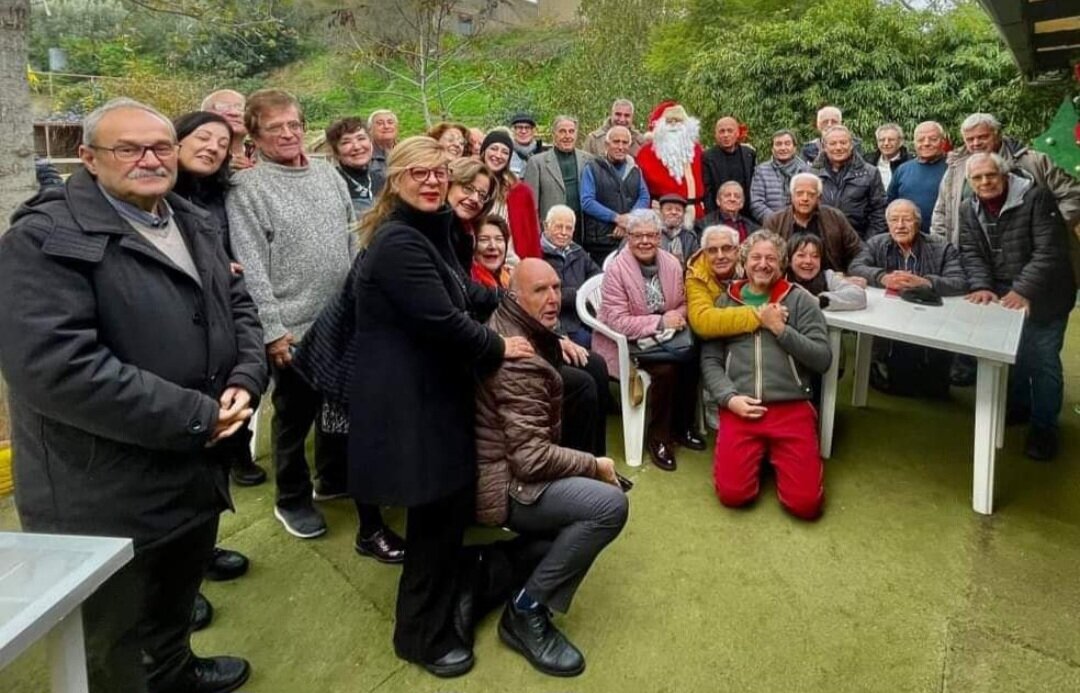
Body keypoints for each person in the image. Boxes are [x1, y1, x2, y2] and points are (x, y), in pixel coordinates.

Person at [0, 97, 266, 693]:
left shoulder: (191, 221)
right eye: (130, 148)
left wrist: (246, 380)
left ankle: (175, 670)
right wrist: (200, 416)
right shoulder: (43, 240)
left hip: (192, 468)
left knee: (177, 592)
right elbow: (57, 368)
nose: (150, 158)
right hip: (102, 486)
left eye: (161, 146)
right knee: (114, 634)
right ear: (88, 159)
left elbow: (239, 305)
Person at [347, 136, 534, 677]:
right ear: (395, 179)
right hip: (411, 405)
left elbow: (460, 292)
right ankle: (419, 637)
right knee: (432, 519)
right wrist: (502, 344)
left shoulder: (430, 233)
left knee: (448, 513)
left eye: (438, 173)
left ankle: (446, 602)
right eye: (418, 174)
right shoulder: (399, 243)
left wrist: (505, 299)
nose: (431, 182)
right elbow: (443, 321)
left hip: (433, 395)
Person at [228, 90, 390, 549]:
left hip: (340, 316)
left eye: (293, 124)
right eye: (274, 127)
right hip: (292, 325)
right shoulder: (248, 189)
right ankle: (292, 498)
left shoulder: (327, 174)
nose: (286, 133)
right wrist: (273, 330)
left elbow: (351, 239)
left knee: (342, 407)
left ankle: (331, 477)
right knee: (294, 418)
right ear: (255, 135)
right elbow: (252, 265)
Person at [475, 258, 628, 678]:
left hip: (506, 468)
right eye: (539, 290)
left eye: (557, 288)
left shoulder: (527, 331)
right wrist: (593, 464)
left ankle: (509, 564)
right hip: (502, 483)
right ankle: (524, 612)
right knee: (608, 506)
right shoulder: (516, 355)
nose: (553, 299)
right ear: (513, 294)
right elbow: (530, 459)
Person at [701, 230, 832, 520]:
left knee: (806, 505)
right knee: (734, 496)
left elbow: (823, 359)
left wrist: (780, 330)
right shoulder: (725, 303)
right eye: (756, 257)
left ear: (782, 264)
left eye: (771, 258)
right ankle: (762, 456)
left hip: (792, 408)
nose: (763, 264)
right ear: (744, 263)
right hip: (742, 408)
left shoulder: (799, 301)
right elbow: (710, 360)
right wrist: (728, 399)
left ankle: (774, 457)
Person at [959, 152, 1075, 460]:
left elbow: (1049, 251)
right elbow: (971, 251)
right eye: (978, 178)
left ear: (1005, 175)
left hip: (1047, 294)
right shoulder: (967, 208)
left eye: (990, 176)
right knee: (1015, 356)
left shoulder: (1036, 198)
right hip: (1002, 294)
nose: (985, 182)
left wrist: (1023, 290)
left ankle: (1044, 428)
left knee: (1042, 359)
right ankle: (1021, 409)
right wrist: (982, 285)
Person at [595, 209, 705, 471]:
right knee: (666, 371)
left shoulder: (671, 263)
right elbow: (616, 321)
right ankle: (659, 438)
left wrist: (674, 317)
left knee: (691, 358)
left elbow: (683, 303)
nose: (644, 241)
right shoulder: (616, 269)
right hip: (627, 342)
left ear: (659, 237)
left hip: (665, 337)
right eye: (637, 235)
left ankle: (682, 427)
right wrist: (659, 322)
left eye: (651, 235)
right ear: (628, 238)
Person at [848, 199, 966, 398]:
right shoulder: (877, 243)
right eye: (894, 220)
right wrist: (882, 277)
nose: (900, 225)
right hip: (889, 322)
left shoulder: (940, 247)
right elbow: (855, 267)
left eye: (907, 220)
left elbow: (960, 281)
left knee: (934, 391)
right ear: (888, 224)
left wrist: (925, 282)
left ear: (918, 223)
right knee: (899, 383)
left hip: (931, 323)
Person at [930, 112, 1080, 246]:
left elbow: (1073, 196)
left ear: (997, 135)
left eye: (983, 136)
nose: (976, 143)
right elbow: (941, 213)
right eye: (970, 139)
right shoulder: (955, 169)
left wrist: (1048, 228)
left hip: (1034, 251)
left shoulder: (1033, 161)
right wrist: (942, 251)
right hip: (976, 257)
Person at [764, 172, 864, 272]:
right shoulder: (775, 221)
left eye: (811, 194)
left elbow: (858, 251)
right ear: (791, 196)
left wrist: (851, 274)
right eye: (799, 193)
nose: (805, 199)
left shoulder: (835, 217)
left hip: (830, 279)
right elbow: (766, 256)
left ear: (819, 198)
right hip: (788, 280)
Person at [580, 125, 650, 265]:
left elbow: (644, 197)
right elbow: (587, 201)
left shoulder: (635, 169)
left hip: (629, 238)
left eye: (624, 143)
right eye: (616, 142)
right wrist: (616, 218)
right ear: (606, 144)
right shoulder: (592, 168)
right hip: (600, 242)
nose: (620, 147)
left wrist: (628, 220)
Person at [541, 204, 602, 347]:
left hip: (588, 317)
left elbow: (598, 277)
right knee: (590, 344)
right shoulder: (539, 254)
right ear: (546, 226)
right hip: (561, 323)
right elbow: (550, 295)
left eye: (568, 228)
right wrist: (580, 295)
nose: (563, 232)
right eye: (558, 227)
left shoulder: (577, 252)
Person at [812, 125, 886, 239]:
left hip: (858, 242)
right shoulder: (811, 174)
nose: (838, 147)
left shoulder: (870, 173)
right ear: (824, 147)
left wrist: (869, 245)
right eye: (833, 143)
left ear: (851, 145)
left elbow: (879, 212)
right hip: (820, 242)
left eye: (843, 142)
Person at [524, 115, 592, 240]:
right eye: (562, 131)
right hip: (551, 232)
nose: (567, 136)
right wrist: (537, 234)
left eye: (571, 131)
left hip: (580, 231)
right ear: (554, 134)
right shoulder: (537, 162)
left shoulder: (588, 160)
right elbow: (530, 205)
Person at [636, 101, 707, 219]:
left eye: (678, 121)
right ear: (660, 126)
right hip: (660, 214)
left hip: (695, 214)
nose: (674, 125)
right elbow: (640, 188)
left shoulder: (697, 150)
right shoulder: (646, 152)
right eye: (669, 122)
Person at [480, 128, 543, 259]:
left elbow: (531, 234)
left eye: (505, 152)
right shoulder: (470, 184)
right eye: (494, 148)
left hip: (511, 259)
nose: (498, 155)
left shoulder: (520, 192)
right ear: (484, 151)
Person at [786, 233, 868, 311]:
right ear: (789, 260)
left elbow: (859, 296)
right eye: (801, 255)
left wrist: (819, 301)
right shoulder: (780, 278)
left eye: (815, 256)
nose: (808, 261)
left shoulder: (828, 276)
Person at [886, 121, 948, 224]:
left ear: (943, 142)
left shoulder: (953, 169)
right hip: (907, 234)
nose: (926, 143)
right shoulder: (903, 170)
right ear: (914, 143)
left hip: (944, 235)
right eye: (921, 140)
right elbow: (890, 203)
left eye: (933, 139)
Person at [325, 116, 386, 217]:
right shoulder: (330, 185)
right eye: (346, 142)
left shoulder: (383, 181)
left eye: (361, 138)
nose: (357, 147)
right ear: (336, 152)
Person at [749, 129, 811, 224]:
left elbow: (811, 200)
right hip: (771, 226)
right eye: (778, 144)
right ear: (772, 148)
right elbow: (756, 203)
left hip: (800, 226)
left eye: (787, 143)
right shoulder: (762, 170)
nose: (783, 148)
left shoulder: (806, 171)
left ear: (794, 147)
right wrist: (777, 221)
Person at [702, 116, 755, 216]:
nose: (726, 135)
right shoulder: (708, 157)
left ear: (737, 133)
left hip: (746, 214)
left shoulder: (748, 154)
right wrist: (712, 217)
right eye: (722, 131)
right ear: (716, 135)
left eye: (730, 131)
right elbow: (708, 192)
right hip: (718, 214)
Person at [201, 88, 254, 170]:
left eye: (241, 108)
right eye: (222, 106)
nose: (234, 113)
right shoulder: (195, 154)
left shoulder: (265, 154)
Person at [656, 193, 701, 265]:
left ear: (684, 214)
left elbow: (695, 263)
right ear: (661, 212)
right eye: (669, 209)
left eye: (678, 210)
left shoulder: (690, 237)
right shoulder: (654, 234)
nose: (674, 212)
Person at [865, 123, 911, 191]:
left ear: (900, 142)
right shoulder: (867, 161)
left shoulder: (910, 162)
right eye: (882, 140)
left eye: (891, 140)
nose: (886, 143)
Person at [472, 215, 513, 289]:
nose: (493, 246)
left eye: (499, 239)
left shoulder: (510, 279)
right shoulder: (470, 281)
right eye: (484, 239)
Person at [508, 111, 548, 176]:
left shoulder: (545, 151)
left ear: (533, 131)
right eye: (520, 127)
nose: (523, 131)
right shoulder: (506, 152)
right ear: (514, 130)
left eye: (527, 128)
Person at [367, 108, 399, 180]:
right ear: (370, 129)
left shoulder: (406, 151)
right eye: (380, 123)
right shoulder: (364, 155)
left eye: (390, 122)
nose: (386, 126)